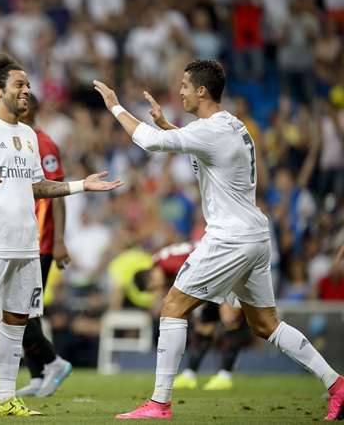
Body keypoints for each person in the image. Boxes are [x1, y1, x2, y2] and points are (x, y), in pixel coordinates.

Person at [93, 59, 344, 421]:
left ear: (201, 91)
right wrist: (170, 127)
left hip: (230, 237)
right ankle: (336, 384)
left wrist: (115, 105)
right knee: (264, 324)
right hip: (255, 235)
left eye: (184, 85)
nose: (178, 91)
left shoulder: (210, 131)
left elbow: (148, 142)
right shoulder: (230, 125)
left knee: (173, 307)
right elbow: (200, 149)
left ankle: (159, 404)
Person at [0, 53, 122, 417]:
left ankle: (5, 398)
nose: (27, 91)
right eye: (19, 85)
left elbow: (37, 187)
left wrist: (80, 185)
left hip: (26, 243)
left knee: (17, 321)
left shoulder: (28, 136)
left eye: (28, 85)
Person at [16, 93, 72, 398]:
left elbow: (58, 193)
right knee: (24, 311)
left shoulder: (44, 144)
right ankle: (37, 375)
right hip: (21, 240)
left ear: (29, 110)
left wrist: (60, 240)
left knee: (20, 311)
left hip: (41, 242)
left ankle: (54, 362)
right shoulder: (18, 142)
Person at [154, 243, 252, 391]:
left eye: (153, 285)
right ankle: (189, 375)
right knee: (203, 328)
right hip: (213, 277)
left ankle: (225, 376)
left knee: (231, 321)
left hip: (228, 271)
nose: (157, 288)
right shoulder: (167, 261)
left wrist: (226, 300)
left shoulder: (168, 262)